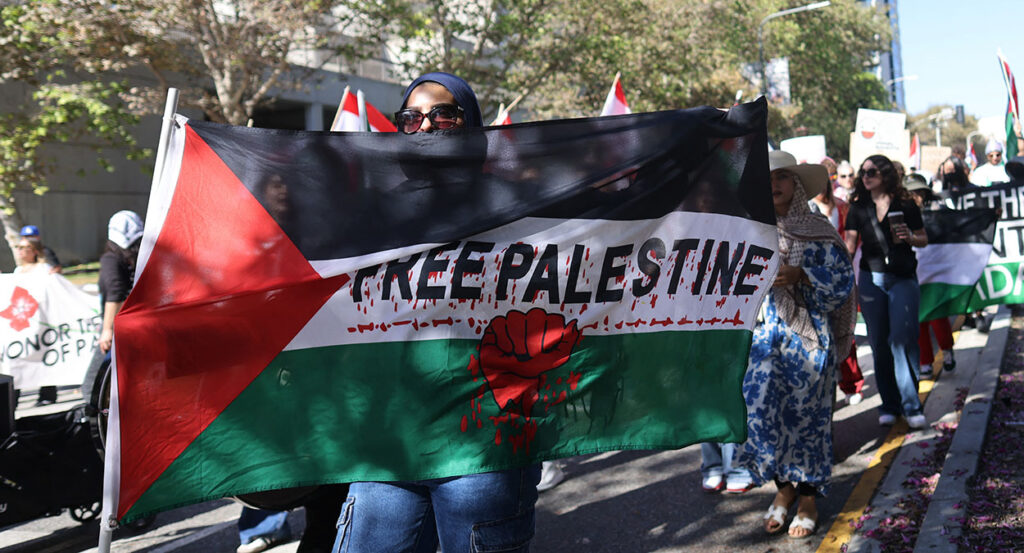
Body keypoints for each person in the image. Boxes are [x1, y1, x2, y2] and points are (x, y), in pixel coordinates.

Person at [332, 72, 541, 553]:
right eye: (411, 118)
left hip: (483, 445)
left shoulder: (521, 209)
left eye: (443, 114)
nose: (425, 125)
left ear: (472, 125)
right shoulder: (373, 213)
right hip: (388, 442)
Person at [738, 151, 855, 539]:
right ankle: (783, 488)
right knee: (763, 416)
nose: (774, 184)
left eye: (782, 177)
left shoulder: (819, 229)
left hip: (809, 340)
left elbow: (842, 282)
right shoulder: (750, 230)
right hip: (763, 339)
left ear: (797, 184)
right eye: (768, 178)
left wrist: (802, 275)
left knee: (808, 420)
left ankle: (807, 498)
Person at [843, 155, 929, 429]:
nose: (866, 176)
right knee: (879, 343)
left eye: (872, 172)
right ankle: (889, 404)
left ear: (886, 174)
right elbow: (849, 247)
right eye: (863, 172)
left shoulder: (905, 204)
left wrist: (910, 237)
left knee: (903, 339)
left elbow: (923, 238)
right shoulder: (858, 207)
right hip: (872, 279)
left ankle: (911, 405)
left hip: (902, 277)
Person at [903, 174, 956, 376]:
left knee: (938, 313)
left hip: (935, 270)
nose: (915, 196)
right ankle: (925, 361)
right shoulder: (900, 212)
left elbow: (959, 223)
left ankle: (947, 349)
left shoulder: (938, 209)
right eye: (911, 193)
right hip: (913, 271)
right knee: (919, 318)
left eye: (919, 192)